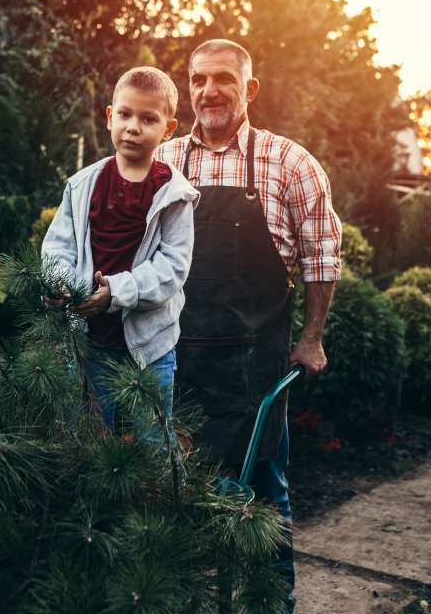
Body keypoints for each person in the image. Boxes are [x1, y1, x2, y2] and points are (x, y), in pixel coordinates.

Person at [156, 39, 342, 612]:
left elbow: (321, 256)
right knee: (171, 498)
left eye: (223, 79)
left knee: (264, 498)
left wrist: (310, 339)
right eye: (198, 79)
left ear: (250, 89)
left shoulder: (289, 162)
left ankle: (270, 603)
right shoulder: (162, 161)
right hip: (175, 363)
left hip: (253, 372)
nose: (208, 91)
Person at [42, 66, 199, 431]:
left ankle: (156, 490)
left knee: (150, 441)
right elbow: (58, 248)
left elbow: (173, 266)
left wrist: (116, 291)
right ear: (110, 117)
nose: (133, 127)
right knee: (92, 437)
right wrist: (63, 286)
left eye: (148, 119)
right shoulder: (82, 185)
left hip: (148, 347)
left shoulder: (174, 194)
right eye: (125, 115)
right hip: (88, 340)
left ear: (169, 129)